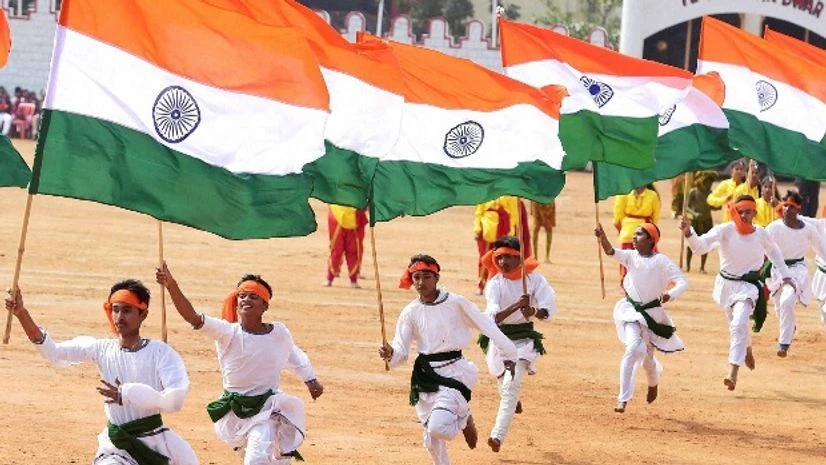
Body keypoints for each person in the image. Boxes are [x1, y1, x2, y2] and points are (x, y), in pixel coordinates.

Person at [4, 281, 199, 465]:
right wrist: (21, 313)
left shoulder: (160, 352)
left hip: (157, 442)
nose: (119, 317)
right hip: (117, 447)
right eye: (115, 310)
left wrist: (127, 394)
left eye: (127, 310)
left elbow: (174, 402)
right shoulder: (102, 349)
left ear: (143, 314)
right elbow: (54, 353)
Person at [156, 263, 323, 465]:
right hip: (234, 413)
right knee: (261, 457)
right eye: (242, 296)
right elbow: (192, 317)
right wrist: (171, 285)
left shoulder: (279, 333)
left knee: (257, 457)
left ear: (265, 305)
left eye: (253, 296)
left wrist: (310, 379)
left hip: (267, 408)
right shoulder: (228, 333)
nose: (246, 300)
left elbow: (293, 355)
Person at [379, 254, 517, 465]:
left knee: (438, 426)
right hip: (425, 377)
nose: (421, 282)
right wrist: (390, 353)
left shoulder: (456, 303)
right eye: (416, 277)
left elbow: (486, 325)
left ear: (436, 278)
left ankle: (463, 417)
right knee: (431, 440)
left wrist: (509, 354)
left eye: (426, 277)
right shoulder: (410, 312)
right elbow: (401, 351)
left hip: (455, 372)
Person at [679, 195, 794, 390]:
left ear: (754, 213)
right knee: (737, 325)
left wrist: (785, 275)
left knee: (739, 323)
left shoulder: (761, 233)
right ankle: (746, 348)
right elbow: (699, 247)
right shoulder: (725, 230)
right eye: (740, 211)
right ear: (735, 211)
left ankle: (733, 370)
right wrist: (688, 231)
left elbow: (774, 253)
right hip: (726, 286)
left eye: (748, 211)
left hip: (748, 287)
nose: (744, 215)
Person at [595, 222, 687, 413]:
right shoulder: (630, 256)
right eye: (634, 234)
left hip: (652, 315)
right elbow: (611, 252)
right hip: (630, 311)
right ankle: (623, 399)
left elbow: (682, 282)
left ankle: (654, 382)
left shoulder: (661, 261)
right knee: (632, 349)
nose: (634, 238)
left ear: (651, 240)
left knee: (647, 360)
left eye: (639, 235)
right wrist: (602, 236)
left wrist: (671, 294)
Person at [477, 236, 556, 452]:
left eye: (510, 258)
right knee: (505, 384)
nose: (504, 262)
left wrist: (533, 311)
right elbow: (492, 318)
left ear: (520, 258)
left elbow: (548, 309)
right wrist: (515, 306)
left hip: (524, 341)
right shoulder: (494, 284)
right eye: (500, 257)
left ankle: (497, 435)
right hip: (499, 340)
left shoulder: (534, 280)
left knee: (511, 385)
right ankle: (512, 400)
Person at [764, 191, 826, 357]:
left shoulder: (809, 229)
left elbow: (822, 250)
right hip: (777, 269)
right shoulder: (773, 227)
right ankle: (790, 327)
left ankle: (783, 344)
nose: (786, 209)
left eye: (791, 207)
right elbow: (761, 246)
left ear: (798, 209)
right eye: (784, 206)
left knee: (787, 301)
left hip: (797, 270)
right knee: (779, 306)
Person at [613, 184, 660, 280]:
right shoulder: (653, 195)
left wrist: (621, 229)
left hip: (627, 232)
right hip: (645, 234)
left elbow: (617, 218)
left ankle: (627, 283)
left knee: (626, 261)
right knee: (648, 261)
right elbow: (656, 217)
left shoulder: (623, 194)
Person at [324, 204, 362, 288]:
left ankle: (353, 279)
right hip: (336, 215)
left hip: (353, 217)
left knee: (352, 250)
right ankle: (330, 277)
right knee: (336, 250)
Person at [684, 171, 715, 273]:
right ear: (703, 182)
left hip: (707, 221)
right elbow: (687, 207)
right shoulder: (693, 191)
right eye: (707, 183)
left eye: (710, 183)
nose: (709, 185)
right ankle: (687, 266)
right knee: (691, 244)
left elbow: (714, 206)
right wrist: (694, 214)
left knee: (705, 243)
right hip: (696, 221)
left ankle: (702, 267)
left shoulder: (710, 194)